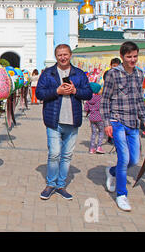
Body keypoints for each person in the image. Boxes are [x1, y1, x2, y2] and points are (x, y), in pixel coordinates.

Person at [36, 44, 93, 200]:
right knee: (54, 154)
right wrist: (57, 91)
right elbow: (39, 93)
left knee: (67, 155)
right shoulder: (49, 74)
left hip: (72, 120)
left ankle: (61, 185)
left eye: (65, 54)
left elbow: (88, 93)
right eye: (60, 55)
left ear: (70, 55)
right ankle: (50, 184)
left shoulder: (79, 74)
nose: (63, 57)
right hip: (54, 121)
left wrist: (75, 91)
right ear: (56, 56)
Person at [101, 41, 145, 212]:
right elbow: (105, 100)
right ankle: (122, 195)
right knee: (123, 158)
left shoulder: (139, 74)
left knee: (134, 160)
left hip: (133, 122)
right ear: (122, 57)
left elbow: (139, 99)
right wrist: (107, 123)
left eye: (135, 56)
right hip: (117, 121)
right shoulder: (113, 74)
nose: (132, 60)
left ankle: (112, 172)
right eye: (129, 57)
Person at [84, 82, 105, 154]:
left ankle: (91, 148)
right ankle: (99, 146)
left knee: (93, 133)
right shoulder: (101, 98)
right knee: (101, 132)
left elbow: (86, 109)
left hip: (92, 117)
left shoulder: (88, 98)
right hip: (100, 117)